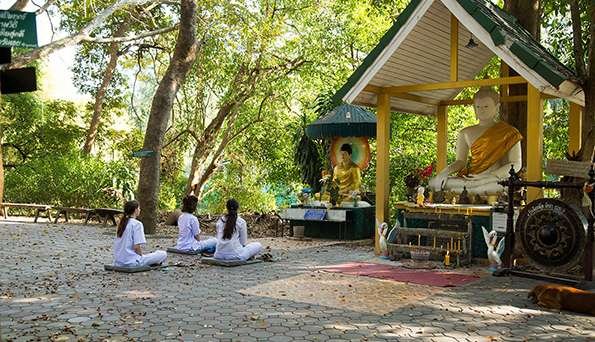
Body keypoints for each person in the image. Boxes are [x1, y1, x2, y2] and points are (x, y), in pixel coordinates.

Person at [428, 87, 522, 194]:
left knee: (488, 188)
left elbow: (516, 164)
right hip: (472, 178)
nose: (482, 110)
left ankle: (470, 191)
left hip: (494, 179)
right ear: (474, 108)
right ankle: (469, 190)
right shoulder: (465, 132)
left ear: (497, 107)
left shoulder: (509, 132)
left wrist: (491, 176)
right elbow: (460, 162)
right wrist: (444, 172)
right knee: (434, 182)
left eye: (486, 106)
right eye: (478, 107)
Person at [113, 200, 167, 267]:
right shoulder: (137, 224)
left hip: (118, 262)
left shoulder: (121, 224)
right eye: (139, 208)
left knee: (149, 256)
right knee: (163, 254)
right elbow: (136, 247)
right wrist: (141, 258)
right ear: (135, 210)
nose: (140, 210)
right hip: (131, 262)